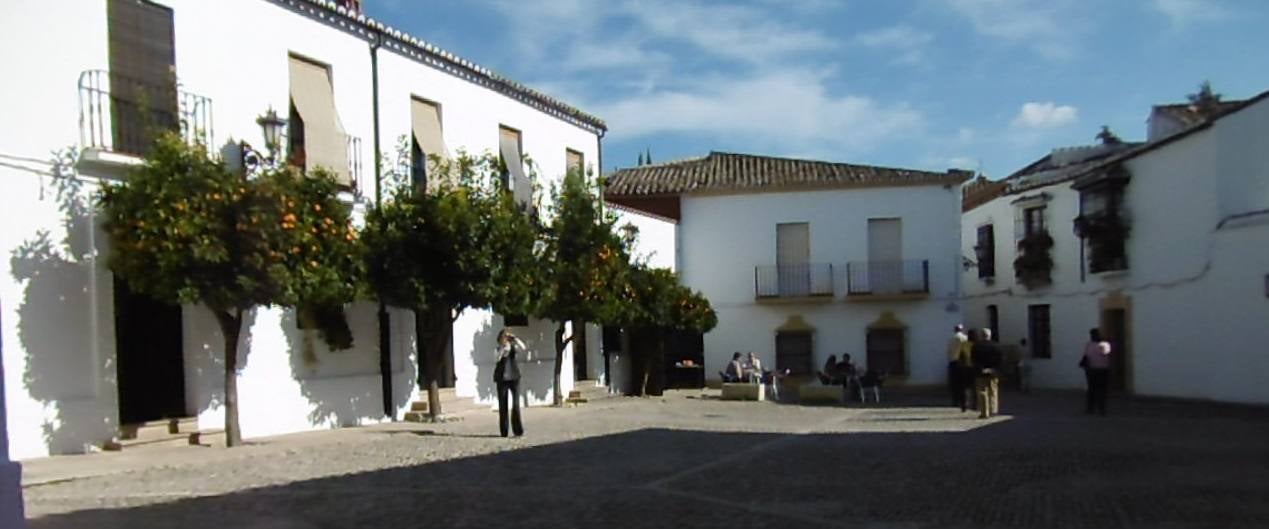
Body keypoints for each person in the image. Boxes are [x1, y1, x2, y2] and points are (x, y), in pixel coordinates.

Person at [493, 329, 525, 437]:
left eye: (506, 338)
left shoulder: (512, 348)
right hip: (502, 379)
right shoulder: (498, 349)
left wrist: (515, 339)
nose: (505, 340)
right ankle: (504, 431)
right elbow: (497, 359)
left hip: (514, 377)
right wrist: (503, 350)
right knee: (503, 405)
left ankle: (518, 430)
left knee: (516, 405)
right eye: (504, 337)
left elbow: (523, 348)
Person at [971, 328, 1003, 419]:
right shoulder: (996, 346)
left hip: (980, 372)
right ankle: (993, 410)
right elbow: (1000, 360)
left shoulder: (976, 346)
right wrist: (994, 369)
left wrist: (981, 368)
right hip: (993, 372)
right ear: (990, 335)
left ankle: (984, 412)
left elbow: (973, 359)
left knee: (982, 392)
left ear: (981, 335)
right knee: (993, 391)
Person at [1081, 328, 1112, 415]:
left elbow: (1086, 356)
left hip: (1097, 370)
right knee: (1098, 390)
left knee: (1094, 390)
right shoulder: (1102, 344)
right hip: (1099, 370)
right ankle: (1098, 409)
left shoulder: (1092, 344)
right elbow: (1107, 355)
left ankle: (1094, 409)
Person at [947, 325, 969, 407]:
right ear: (962, 329)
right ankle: (964, 401)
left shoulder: (951, 339)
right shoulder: (965, 338)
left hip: (953, 362)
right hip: (962, 362)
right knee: (963, 384)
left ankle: (955, 401)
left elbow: (948, 351)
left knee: (954, 384)